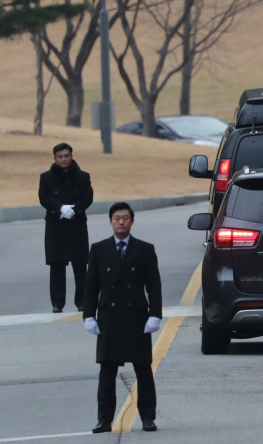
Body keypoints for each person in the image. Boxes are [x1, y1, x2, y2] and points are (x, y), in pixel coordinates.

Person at [83, 202, 162, 433]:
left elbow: (154, 286)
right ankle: (104, 419)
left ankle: (148, 417)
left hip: (136, 317)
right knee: (107, 371)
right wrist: (88, 315)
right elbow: (91, 286)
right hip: (109, 317)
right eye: (117, 218)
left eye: (125, 218)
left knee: (143, 369)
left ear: (132, 221)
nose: (121, 222)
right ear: (110, 221)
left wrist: (155, 315)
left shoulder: (145, 249)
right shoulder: (99, 249)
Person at [38, 143, 93, 313]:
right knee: (57, 265)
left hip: (76, 223)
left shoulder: (83, 176)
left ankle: (82, 301)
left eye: (67, 156)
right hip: (56, 223)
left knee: (80, 264)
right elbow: (44, 198)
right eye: (60, 156)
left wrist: (74, 209)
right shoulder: (46, 177)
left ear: (71, 156)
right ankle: (57, 303)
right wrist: (60, 208)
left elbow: (87, 197)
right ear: (55, 158)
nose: (64, 159)